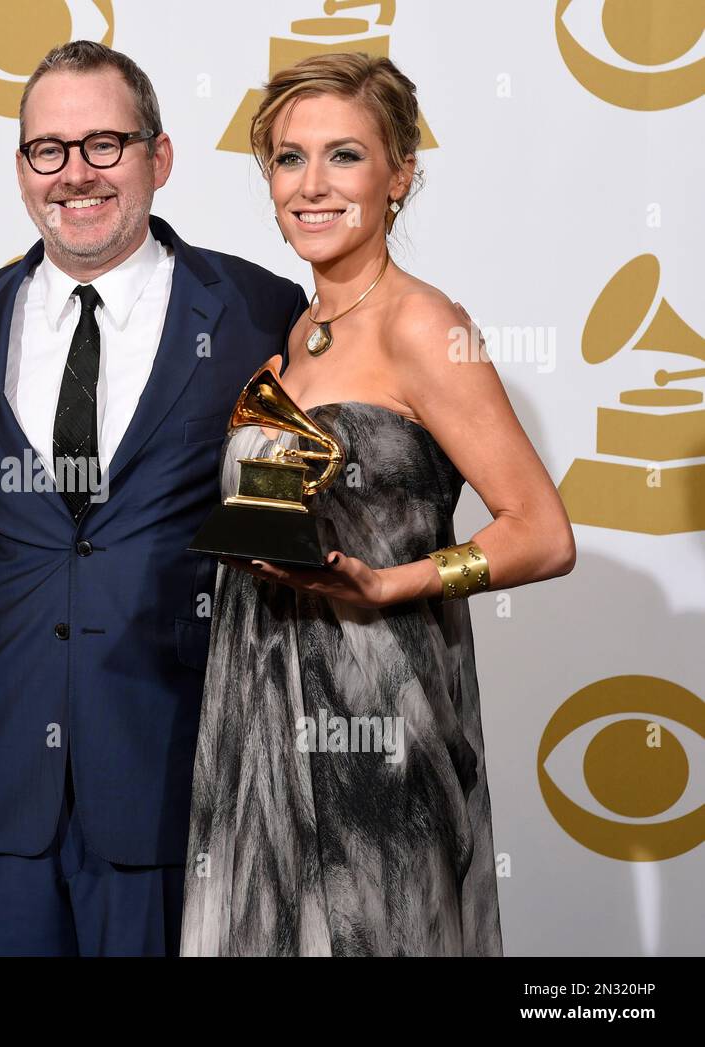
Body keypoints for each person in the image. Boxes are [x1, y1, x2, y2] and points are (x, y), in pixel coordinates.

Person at [181, 52, 577, 956]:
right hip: (260, 715)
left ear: (399, 174)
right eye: (289, 159)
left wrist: (393, 587)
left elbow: (543, 534)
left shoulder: (423, 324)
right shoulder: (293, 333)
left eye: (344, 156)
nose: (312, 186)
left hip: (379, 720)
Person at [0, 41, 307, 956]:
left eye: (105, 144)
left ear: (159, 158)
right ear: (23, 169)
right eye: (48, 150)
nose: (76, 175)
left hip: (176, 774)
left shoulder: (261, 310)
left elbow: (280, 532)